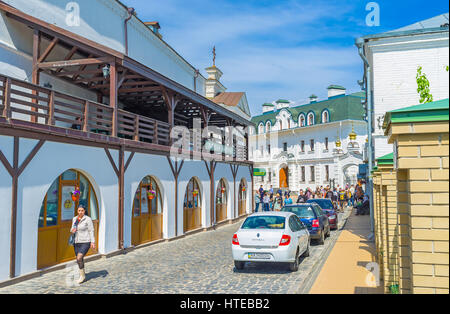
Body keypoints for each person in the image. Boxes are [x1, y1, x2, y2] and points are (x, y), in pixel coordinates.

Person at [70, 204, 95, 284]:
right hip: (76, 242)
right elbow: (72, 228)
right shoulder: (74, 219)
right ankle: (82, 274)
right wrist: (72, 230)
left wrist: (92, 242)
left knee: (79, 257)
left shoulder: (87, 219)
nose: (80, 212)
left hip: (85, 241)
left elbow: (91, 230)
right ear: (77, 211)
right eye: (79, 210)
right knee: (79, 259)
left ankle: (82, 277)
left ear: (84, 211)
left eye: (82, 211)